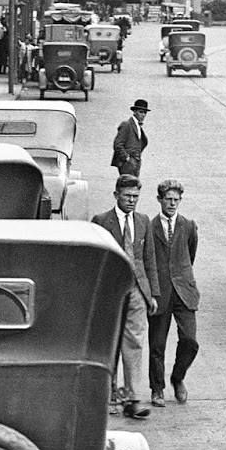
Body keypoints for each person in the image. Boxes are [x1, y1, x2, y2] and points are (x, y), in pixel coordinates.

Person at [94, 176, 155, 421]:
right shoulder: (101, 221)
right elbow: (96, 259)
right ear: (116, 194)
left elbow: (149, 260)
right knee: (109, 342)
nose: (132, 201)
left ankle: (133, 399)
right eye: (128, 196)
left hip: (138, 290)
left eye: (136, 197)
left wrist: (153, 294)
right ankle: (109, 396)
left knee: (135, 343)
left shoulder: (143, 221)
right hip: (111, 290)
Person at [144, 179, 199, 408]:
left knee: (190, 340)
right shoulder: (150, 227)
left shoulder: (188, 226)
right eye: (168, 199)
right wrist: (152, 292)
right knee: (157, 344)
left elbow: (190, 253)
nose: (172, 204)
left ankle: (178, 378)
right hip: (160, 293)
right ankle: (157, 390)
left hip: (184, 292)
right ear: (159, 200)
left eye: (176, 200)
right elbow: (148, 260)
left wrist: (182, 279)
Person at [112, 99, 150, 177]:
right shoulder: (127, 124)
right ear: (134, 112)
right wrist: (127, 158)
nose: (143, 115)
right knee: (127, 185)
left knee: (134, 185)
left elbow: (142, 142)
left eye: (145, 113)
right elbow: (118, 144)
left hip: (136, 161)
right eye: (141, 112)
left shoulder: (138, 126)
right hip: (127, 163)